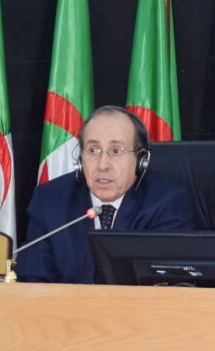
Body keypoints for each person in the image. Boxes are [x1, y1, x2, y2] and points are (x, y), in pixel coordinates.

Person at [16, 105, 195, 283]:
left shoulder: (167, 203)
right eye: (93, 150)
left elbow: (172, 285)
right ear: (80, 158)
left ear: (141, 160)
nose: (102, 165)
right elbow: (32, 279)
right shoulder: (50, 200)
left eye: (116, 151)